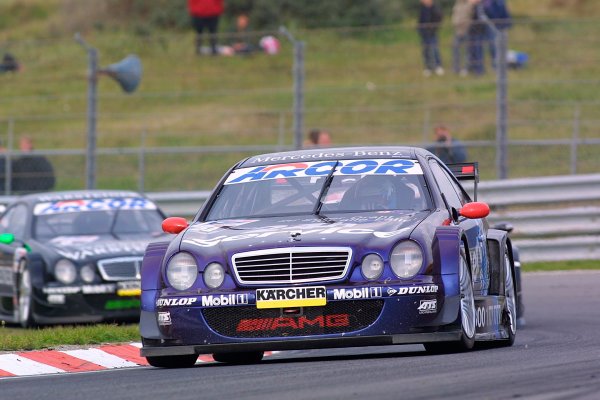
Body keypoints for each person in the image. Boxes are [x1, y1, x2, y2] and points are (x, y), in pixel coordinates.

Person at [417, 0, 444, 77]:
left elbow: (439, 18)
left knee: (435, 49)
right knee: (425, 50)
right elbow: (420, 20)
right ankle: (428, 67)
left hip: (432, 33)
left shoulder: (435, 8)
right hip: (424, 34)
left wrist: (433, 29)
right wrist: (420, 29)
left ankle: (438, 66)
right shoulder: (422, 8)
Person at [451, 0, 477, 76]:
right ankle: (456, 68)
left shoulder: (469, 4)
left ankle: (466, 68)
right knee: (456, 50)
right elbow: (455, 15)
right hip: (457, 31)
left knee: (467, 51)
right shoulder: (457, 4)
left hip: (466, 30)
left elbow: (469, 16)